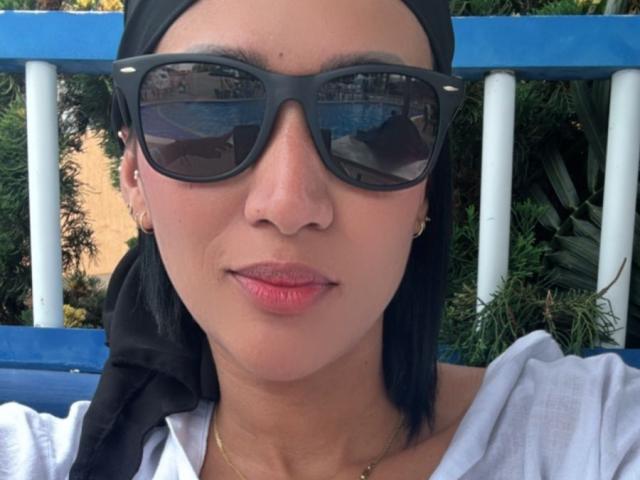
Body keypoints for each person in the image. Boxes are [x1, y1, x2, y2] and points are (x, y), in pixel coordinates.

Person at [1, 1, 639, 479]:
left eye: (373, 119)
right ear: (135, 177)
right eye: (206, 110)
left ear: (425, 191)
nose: (288, 205)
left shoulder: (589, 440)